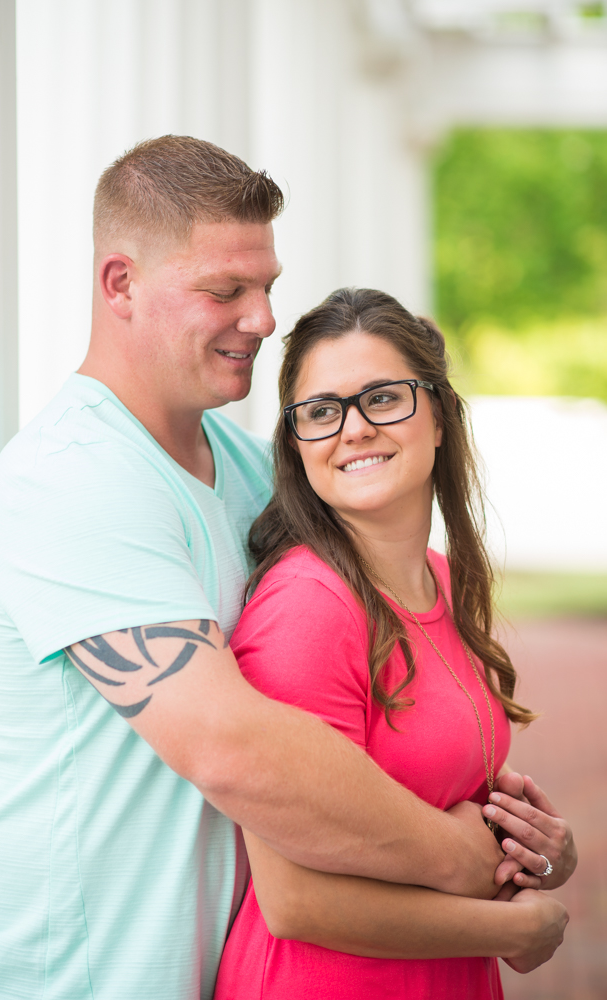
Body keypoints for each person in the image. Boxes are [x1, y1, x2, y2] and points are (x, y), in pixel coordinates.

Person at [0, 138, 558, 1000]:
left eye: (265, 286)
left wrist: (512, 830)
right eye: (224, 290)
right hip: (66, 976)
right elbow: (232, 746)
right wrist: (459, 857)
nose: (263, 318)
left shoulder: (242, 467)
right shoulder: (73, 474)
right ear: (119, 283)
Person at [214, 288, 576, 999]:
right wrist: (513, 930)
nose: (351, 429)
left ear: (437, 416)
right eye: (320, 411)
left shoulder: (442, 582)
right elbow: (293, 901)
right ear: (296, 444)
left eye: (382, 398)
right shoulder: (305, 610)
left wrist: (537, 852)